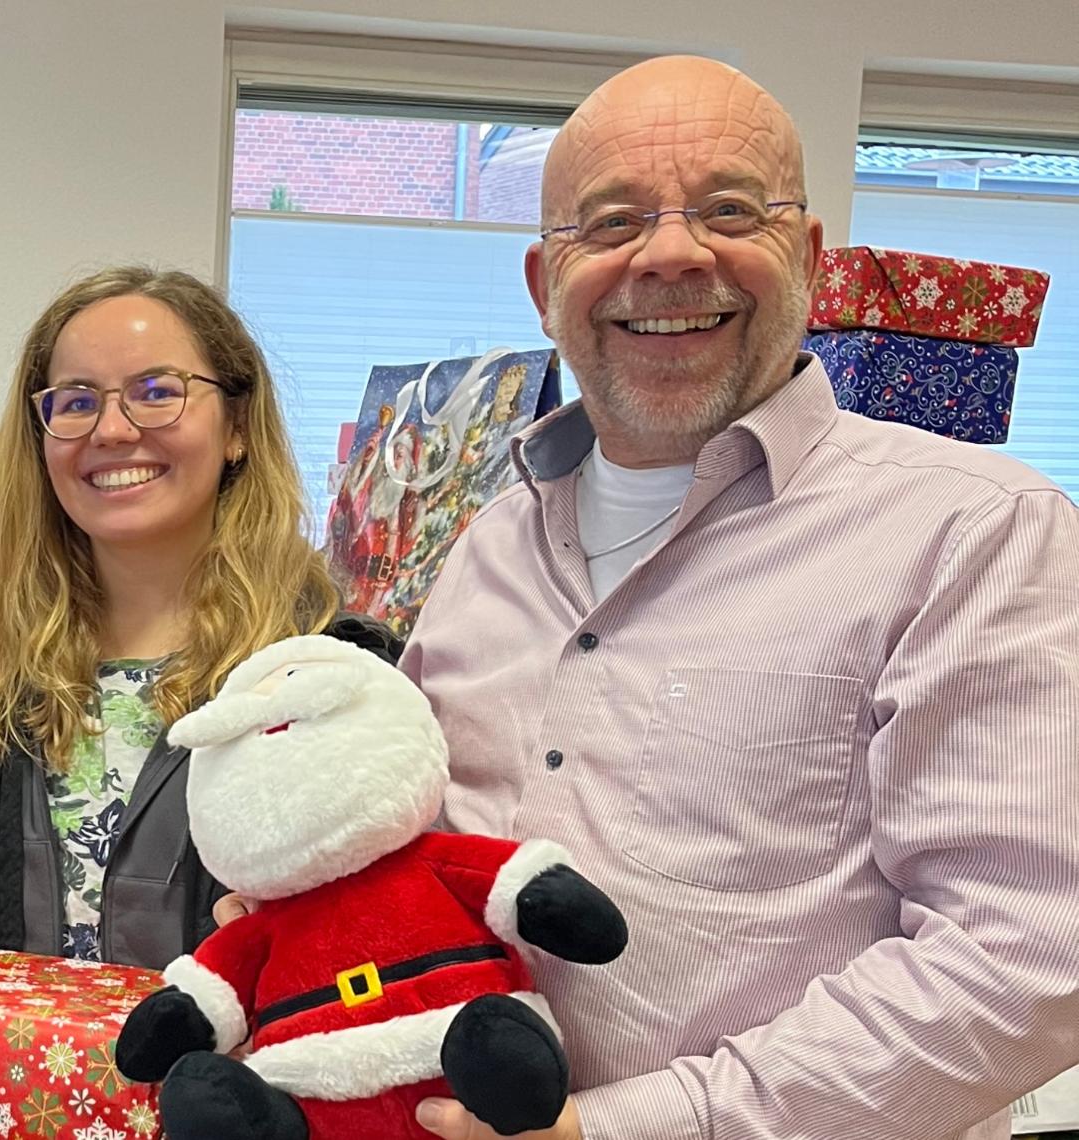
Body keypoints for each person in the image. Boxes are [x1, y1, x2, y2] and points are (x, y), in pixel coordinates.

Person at [243, 56, 1079, 1140]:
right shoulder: (485, 548)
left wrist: (634, 1126)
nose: (673, 253)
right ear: (547, 286)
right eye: (612, 221)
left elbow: (1027, 956)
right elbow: (429, 854)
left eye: (730, 208)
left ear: (811, 260)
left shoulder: (975, 533)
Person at [0, 265, 388, 976]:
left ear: (237, 426)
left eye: (157, 393)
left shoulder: (324, 674)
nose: (111, 429)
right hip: (5, 1083)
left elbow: (377, 944)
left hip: (222, 1086)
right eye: (75, 402)